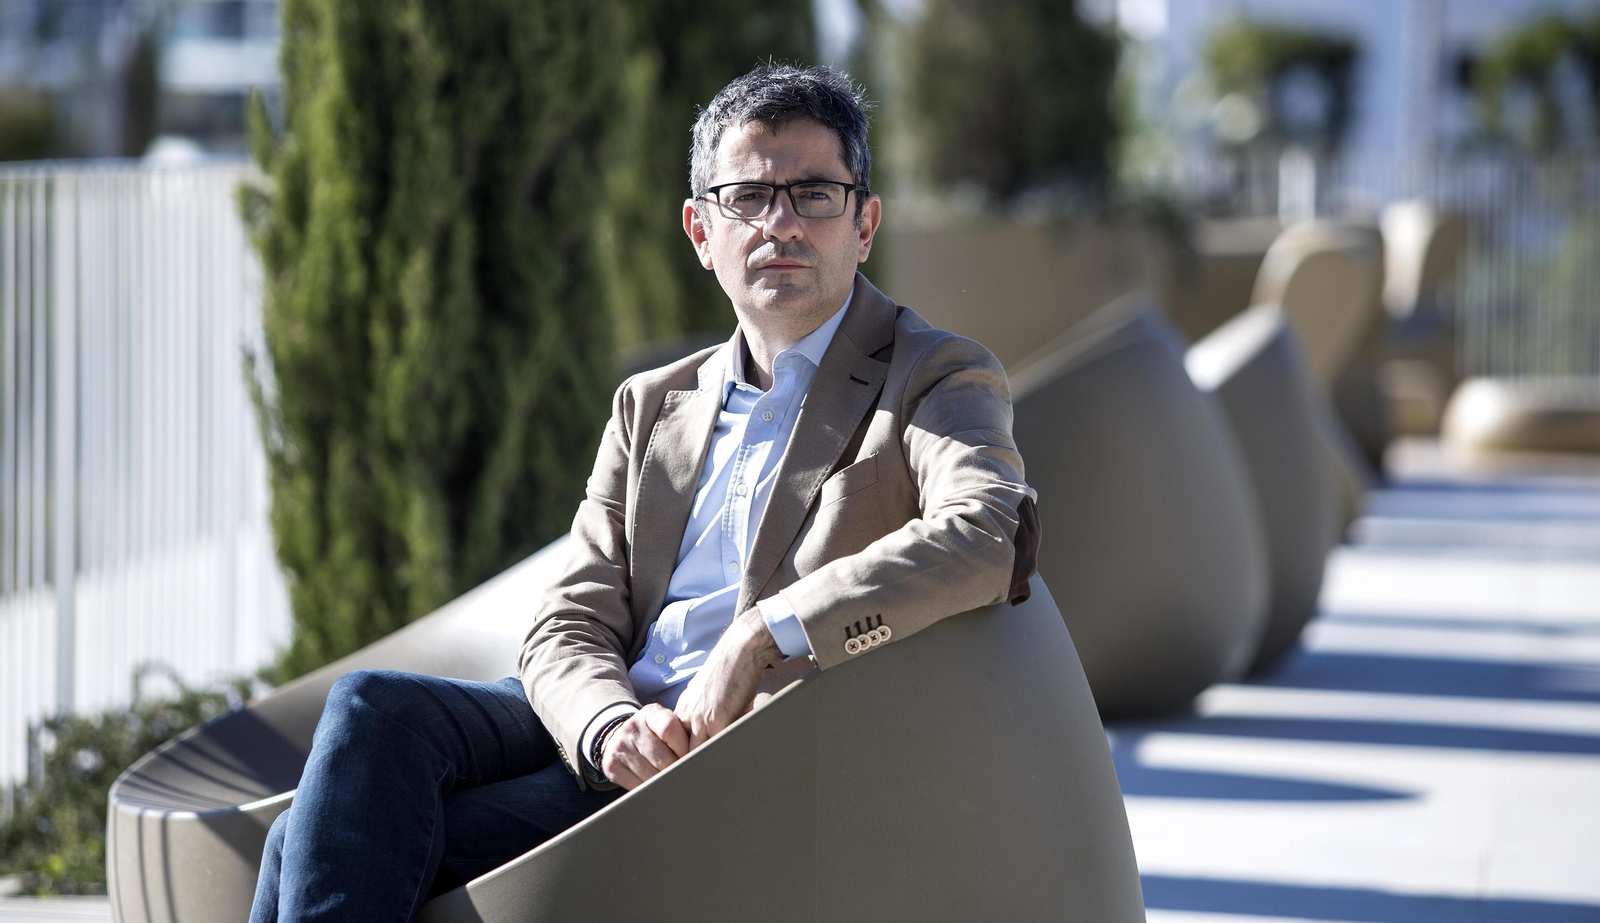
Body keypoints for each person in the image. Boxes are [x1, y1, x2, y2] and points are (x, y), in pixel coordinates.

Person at [249, 63, 1038, 923]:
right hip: (612, 724)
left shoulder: (934, 374)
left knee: (305, 840)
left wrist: (761, 635)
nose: (781, 223)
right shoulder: (652, 404)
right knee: (372, 710)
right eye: (749, 197)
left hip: (742, 752)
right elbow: (569, 618)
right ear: (702, 232)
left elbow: (988, 532)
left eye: (814, 194)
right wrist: (606, 727)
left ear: (864, 223)